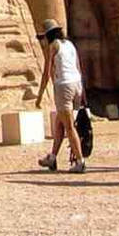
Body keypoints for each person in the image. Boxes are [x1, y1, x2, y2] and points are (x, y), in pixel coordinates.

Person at [34, 23, 86, 173]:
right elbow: (78, 68)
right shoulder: (69, 44)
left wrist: (39, 96)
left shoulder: (53, 46)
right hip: (76, 84)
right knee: (59, 123)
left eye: (42, 38)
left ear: (48, 36)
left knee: (69, 127)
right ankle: (52, 157)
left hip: (64, 86)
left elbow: (46, 73)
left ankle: (80, 161)